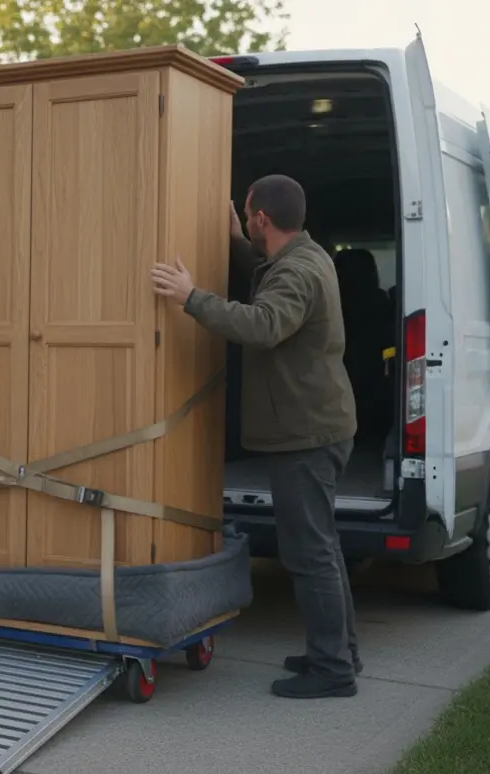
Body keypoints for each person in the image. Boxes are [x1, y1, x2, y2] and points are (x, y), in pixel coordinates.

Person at [150, 175, 361, 699]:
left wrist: (190, 297)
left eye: (247, 216)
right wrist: (235, 242)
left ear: (262, 218)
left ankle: (332, 670)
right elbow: (270, 279)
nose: (245, 221)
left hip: (306, 436)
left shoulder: (298, 273)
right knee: (322, 548)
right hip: (315, 428)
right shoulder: (303, 257)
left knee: (309, 554)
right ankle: (338, 652)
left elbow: (264, 323)